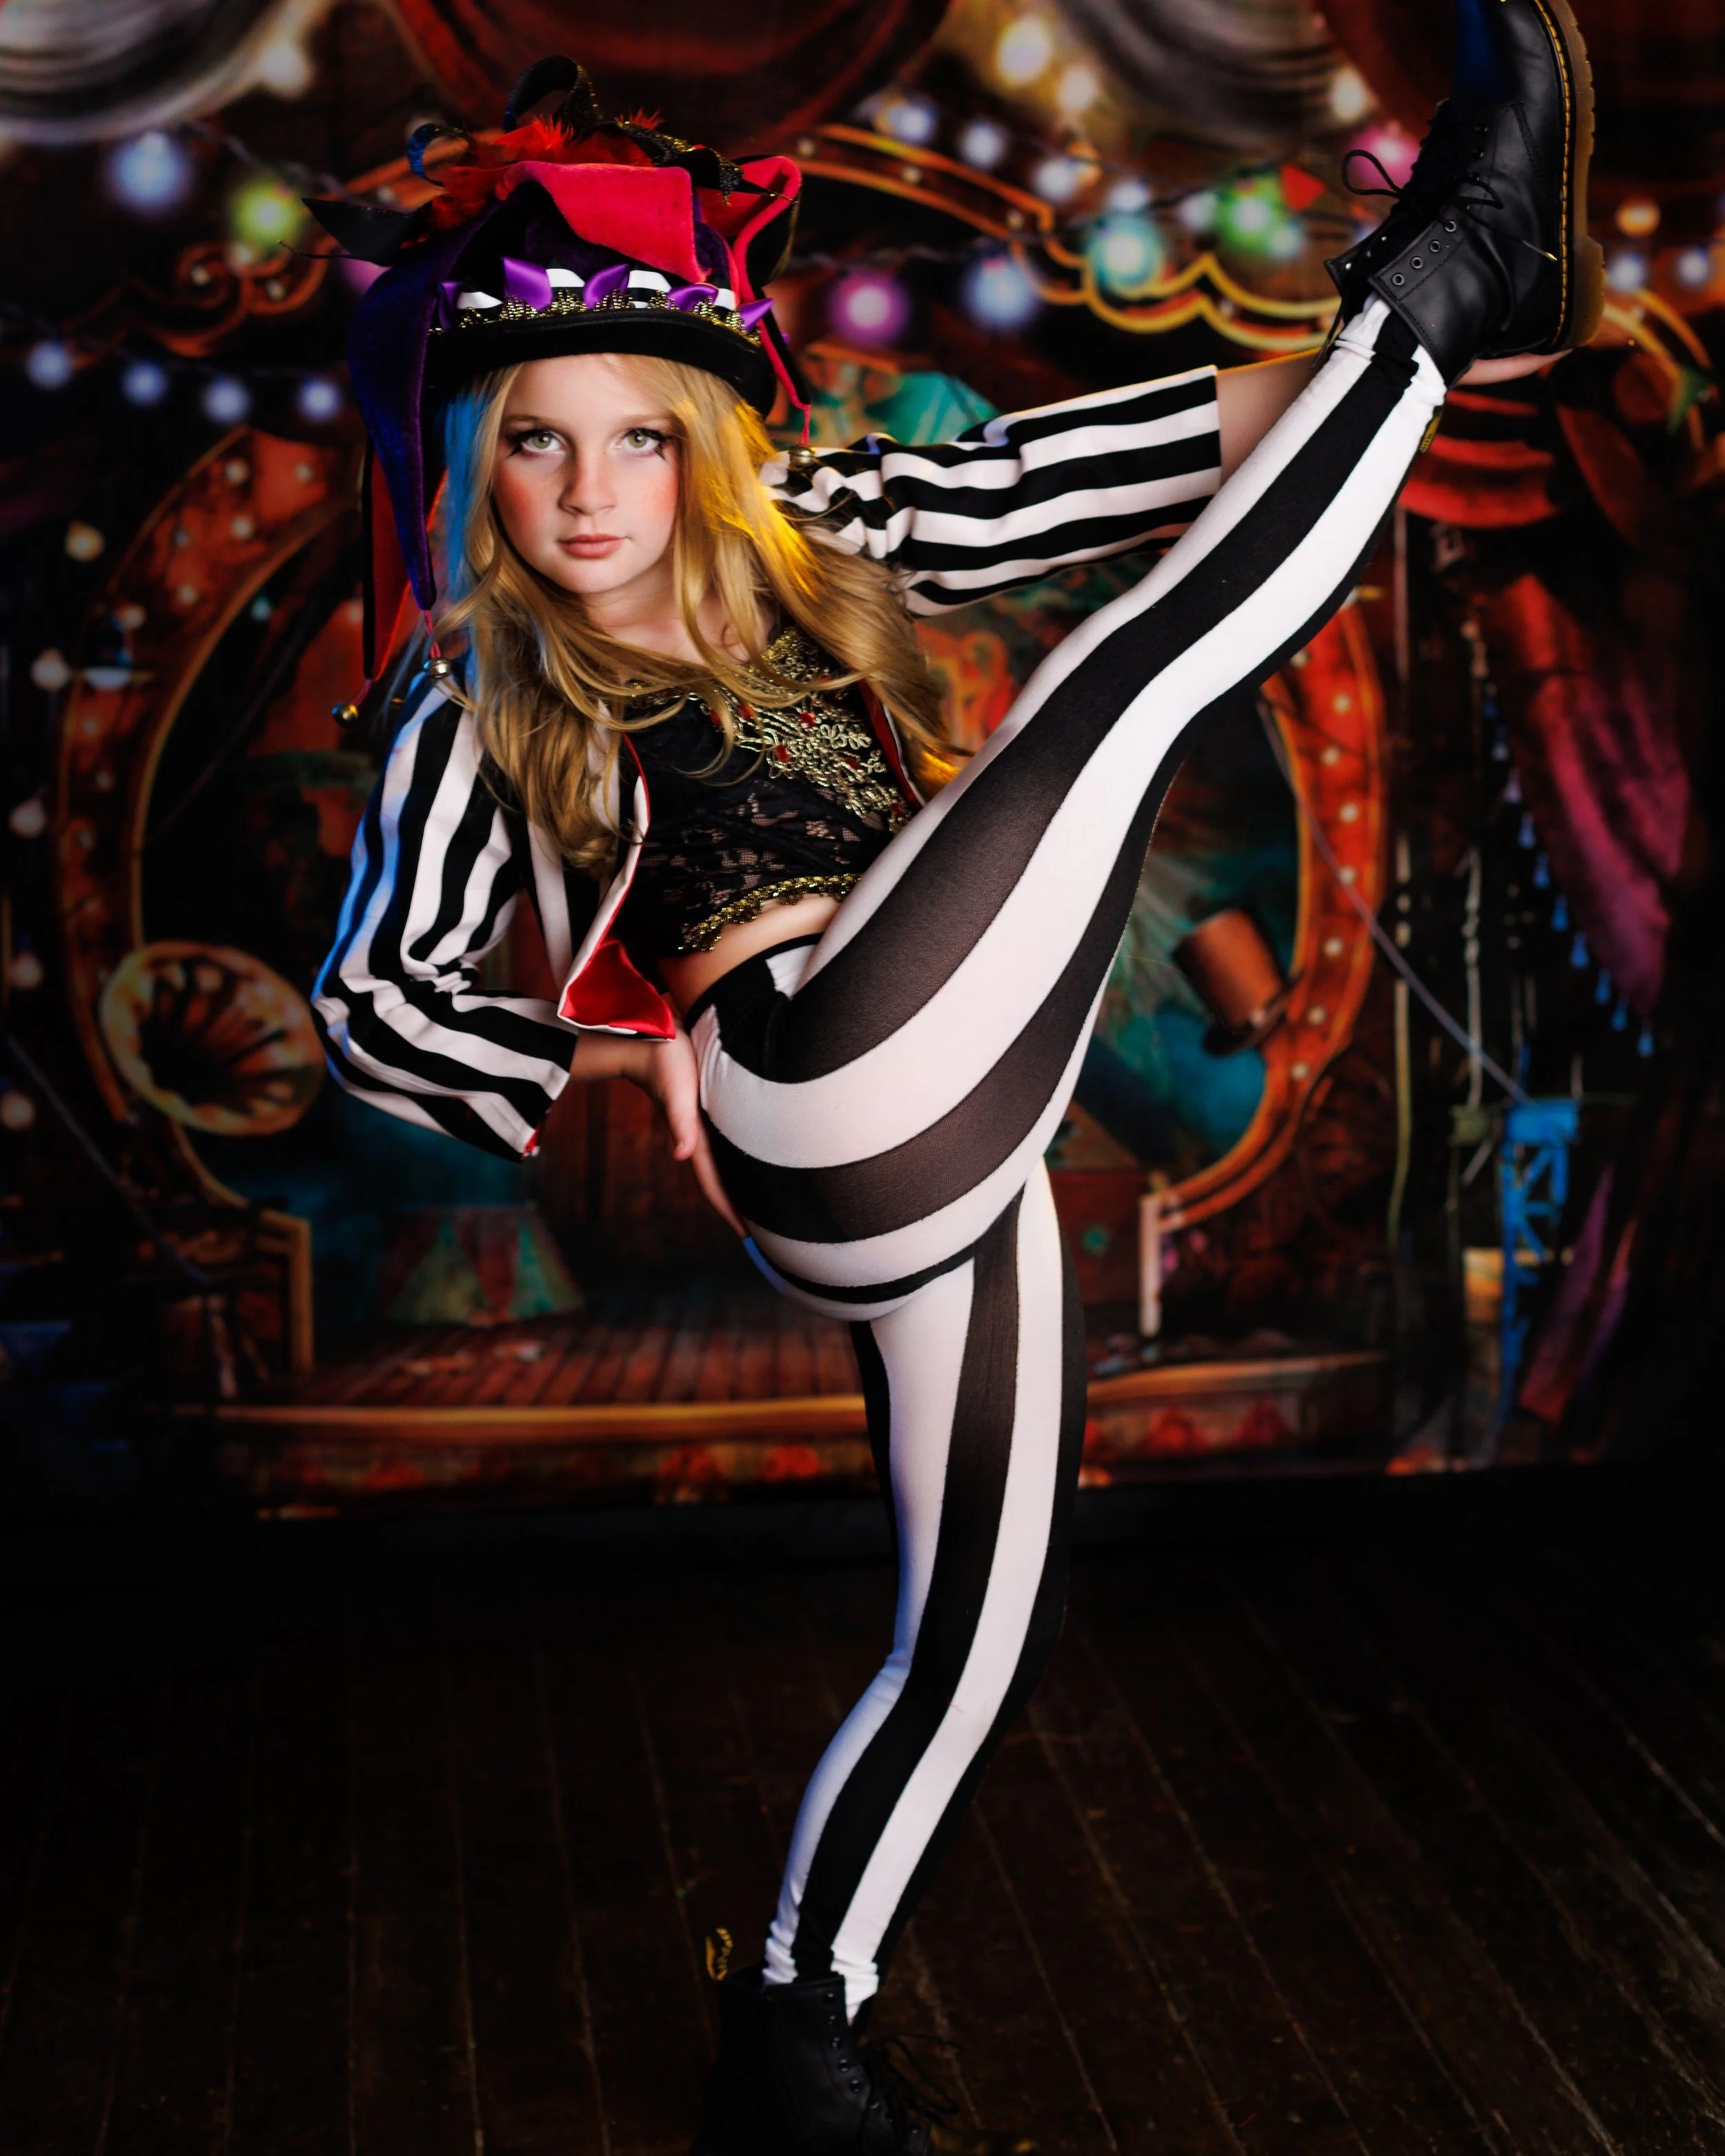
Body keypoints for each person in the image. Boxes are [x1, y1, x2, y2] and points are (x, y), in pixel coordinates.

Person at [311, 5, 1600, 2146]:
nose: (587, 491)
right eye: (534, 443)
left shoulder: (826, 533)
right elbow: (372, 994)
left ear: (704, 441)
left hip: (953, 1120)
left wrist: (1376, 394)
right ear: (480, 463)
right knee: (1123, 681)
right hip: (814, 1094)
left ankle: (793, 2025)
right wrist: (599, 1062)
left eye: (633, 437)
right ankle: (1453, 273)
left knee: (970, 1641)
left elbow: (1120, 461)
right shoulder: (480, 688)